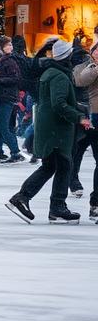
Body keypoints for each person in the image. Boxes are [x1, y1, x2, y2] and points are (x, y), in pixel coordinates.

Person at [7, 39, 89, 225]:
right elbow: (59, 104)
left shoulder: (50, 72)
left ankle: (24, 198)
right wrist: (79, 117)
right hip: (57, 131)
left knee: (51, 166)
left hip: (51, 128)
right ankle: (56, 207)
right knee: (64, 166)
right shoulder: (59, 76)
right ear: (67, 56)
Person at [71, 42, 98, 218]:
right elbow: (80, 80)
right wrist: (95, 67)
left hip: (93, 116)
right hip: (87, 115)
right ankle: (73, 182)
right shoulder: (85, 66)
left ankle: (95, 201)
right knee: (77, 152)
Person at [0, 35, 25, 164]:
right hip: (1, 96)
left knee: (2, 126)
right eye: (8, 45)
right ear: (2, 47)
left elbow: (16, 79)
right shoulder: (0, 60)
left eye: (11, 45)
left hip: (7, 96)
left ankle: (15, 152)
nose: (11, 47)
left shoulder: (10, 61)